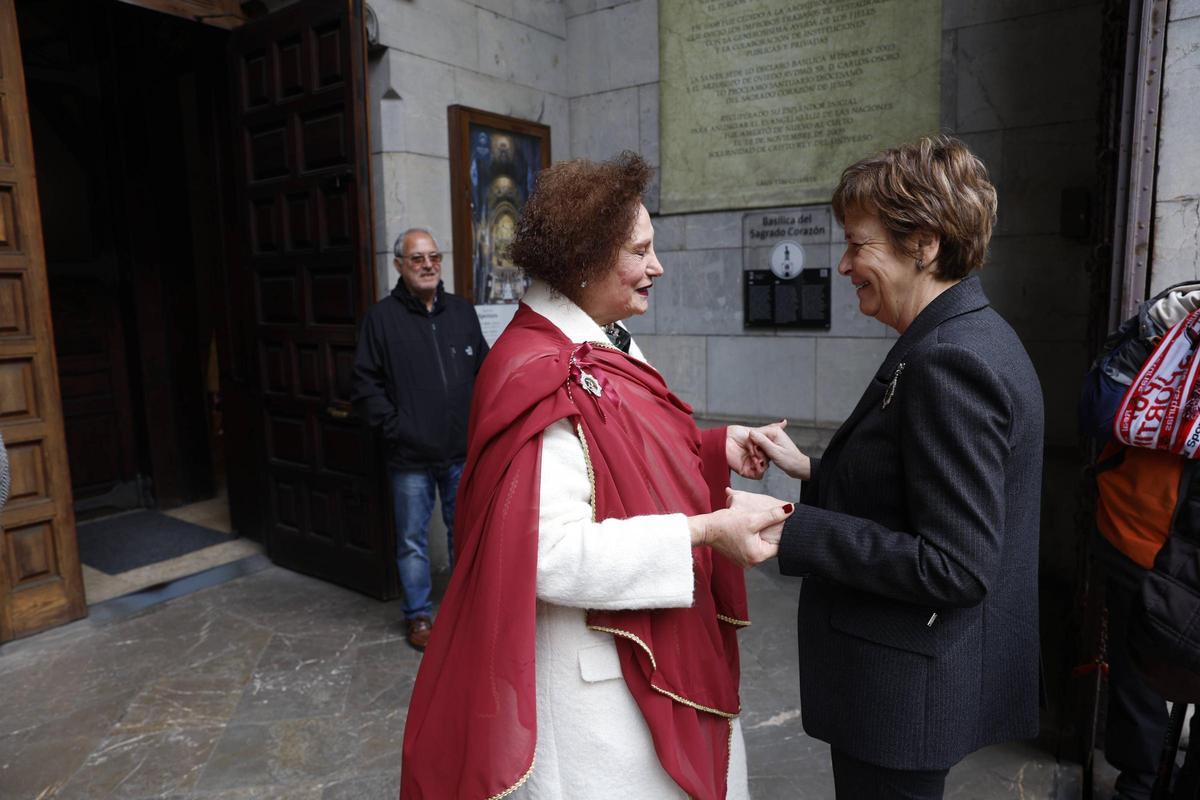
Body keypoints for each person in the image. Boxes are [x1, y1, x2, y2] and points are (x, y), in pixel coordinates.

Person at [399, 152, 790, 800]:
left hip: (635, 663)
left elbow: (623, 444)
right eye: (640, 251)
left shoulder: (601, 338)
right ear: (585, 259)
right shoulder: (538, 368)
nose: (657, 267)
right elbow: (545, 553)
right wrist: (702, 531)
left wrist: (715, 446)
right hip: (600, 702)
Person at [746, 135, 1045, 799]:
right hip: (909, 683)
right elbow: (914, 487)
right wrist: (812, 471)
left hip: (904, 694)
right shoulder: (959, 335)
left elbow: (956, 565)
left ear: (925, 244)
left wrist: (787, 527)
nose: (846, 264)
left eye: (858, 244)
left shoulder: (951, 362)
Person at [351, 228, 489, 651]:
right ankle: (419, 617)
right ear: (399, 266)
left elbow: (485, 372)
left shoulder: (463, 313)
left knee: (463, 535)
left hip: (460, 453)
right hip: (408, 457)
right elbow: (365, 384)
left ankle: (463, 613)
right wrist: (397, 428)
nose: (428, 265)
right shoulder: (381, 319)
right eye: (417, 259)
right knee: (412, 542)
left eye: (434, 256)